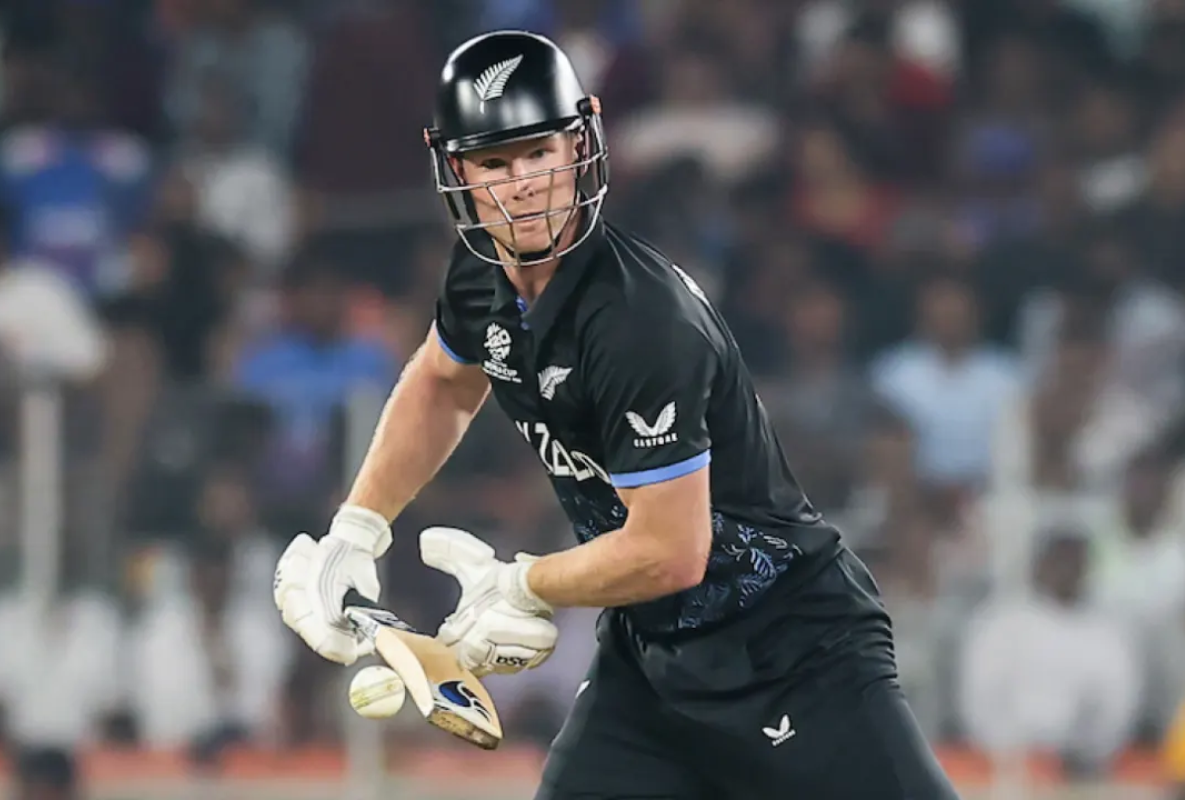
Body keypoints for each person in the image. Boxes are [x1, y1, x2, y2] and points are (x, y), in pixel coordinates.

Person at [273, 30, 960, 799]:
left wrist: (524, 585)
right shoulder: (480, 272)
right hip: (651, 665)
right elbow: (442, 381)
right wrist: (357, 529)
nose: (522, 186)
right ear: (455, 170)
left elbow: (671, 550)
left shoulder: (639, 320)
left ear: (580, 146)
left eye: (538, 154)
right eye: (494, 163)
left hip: (794, 652)